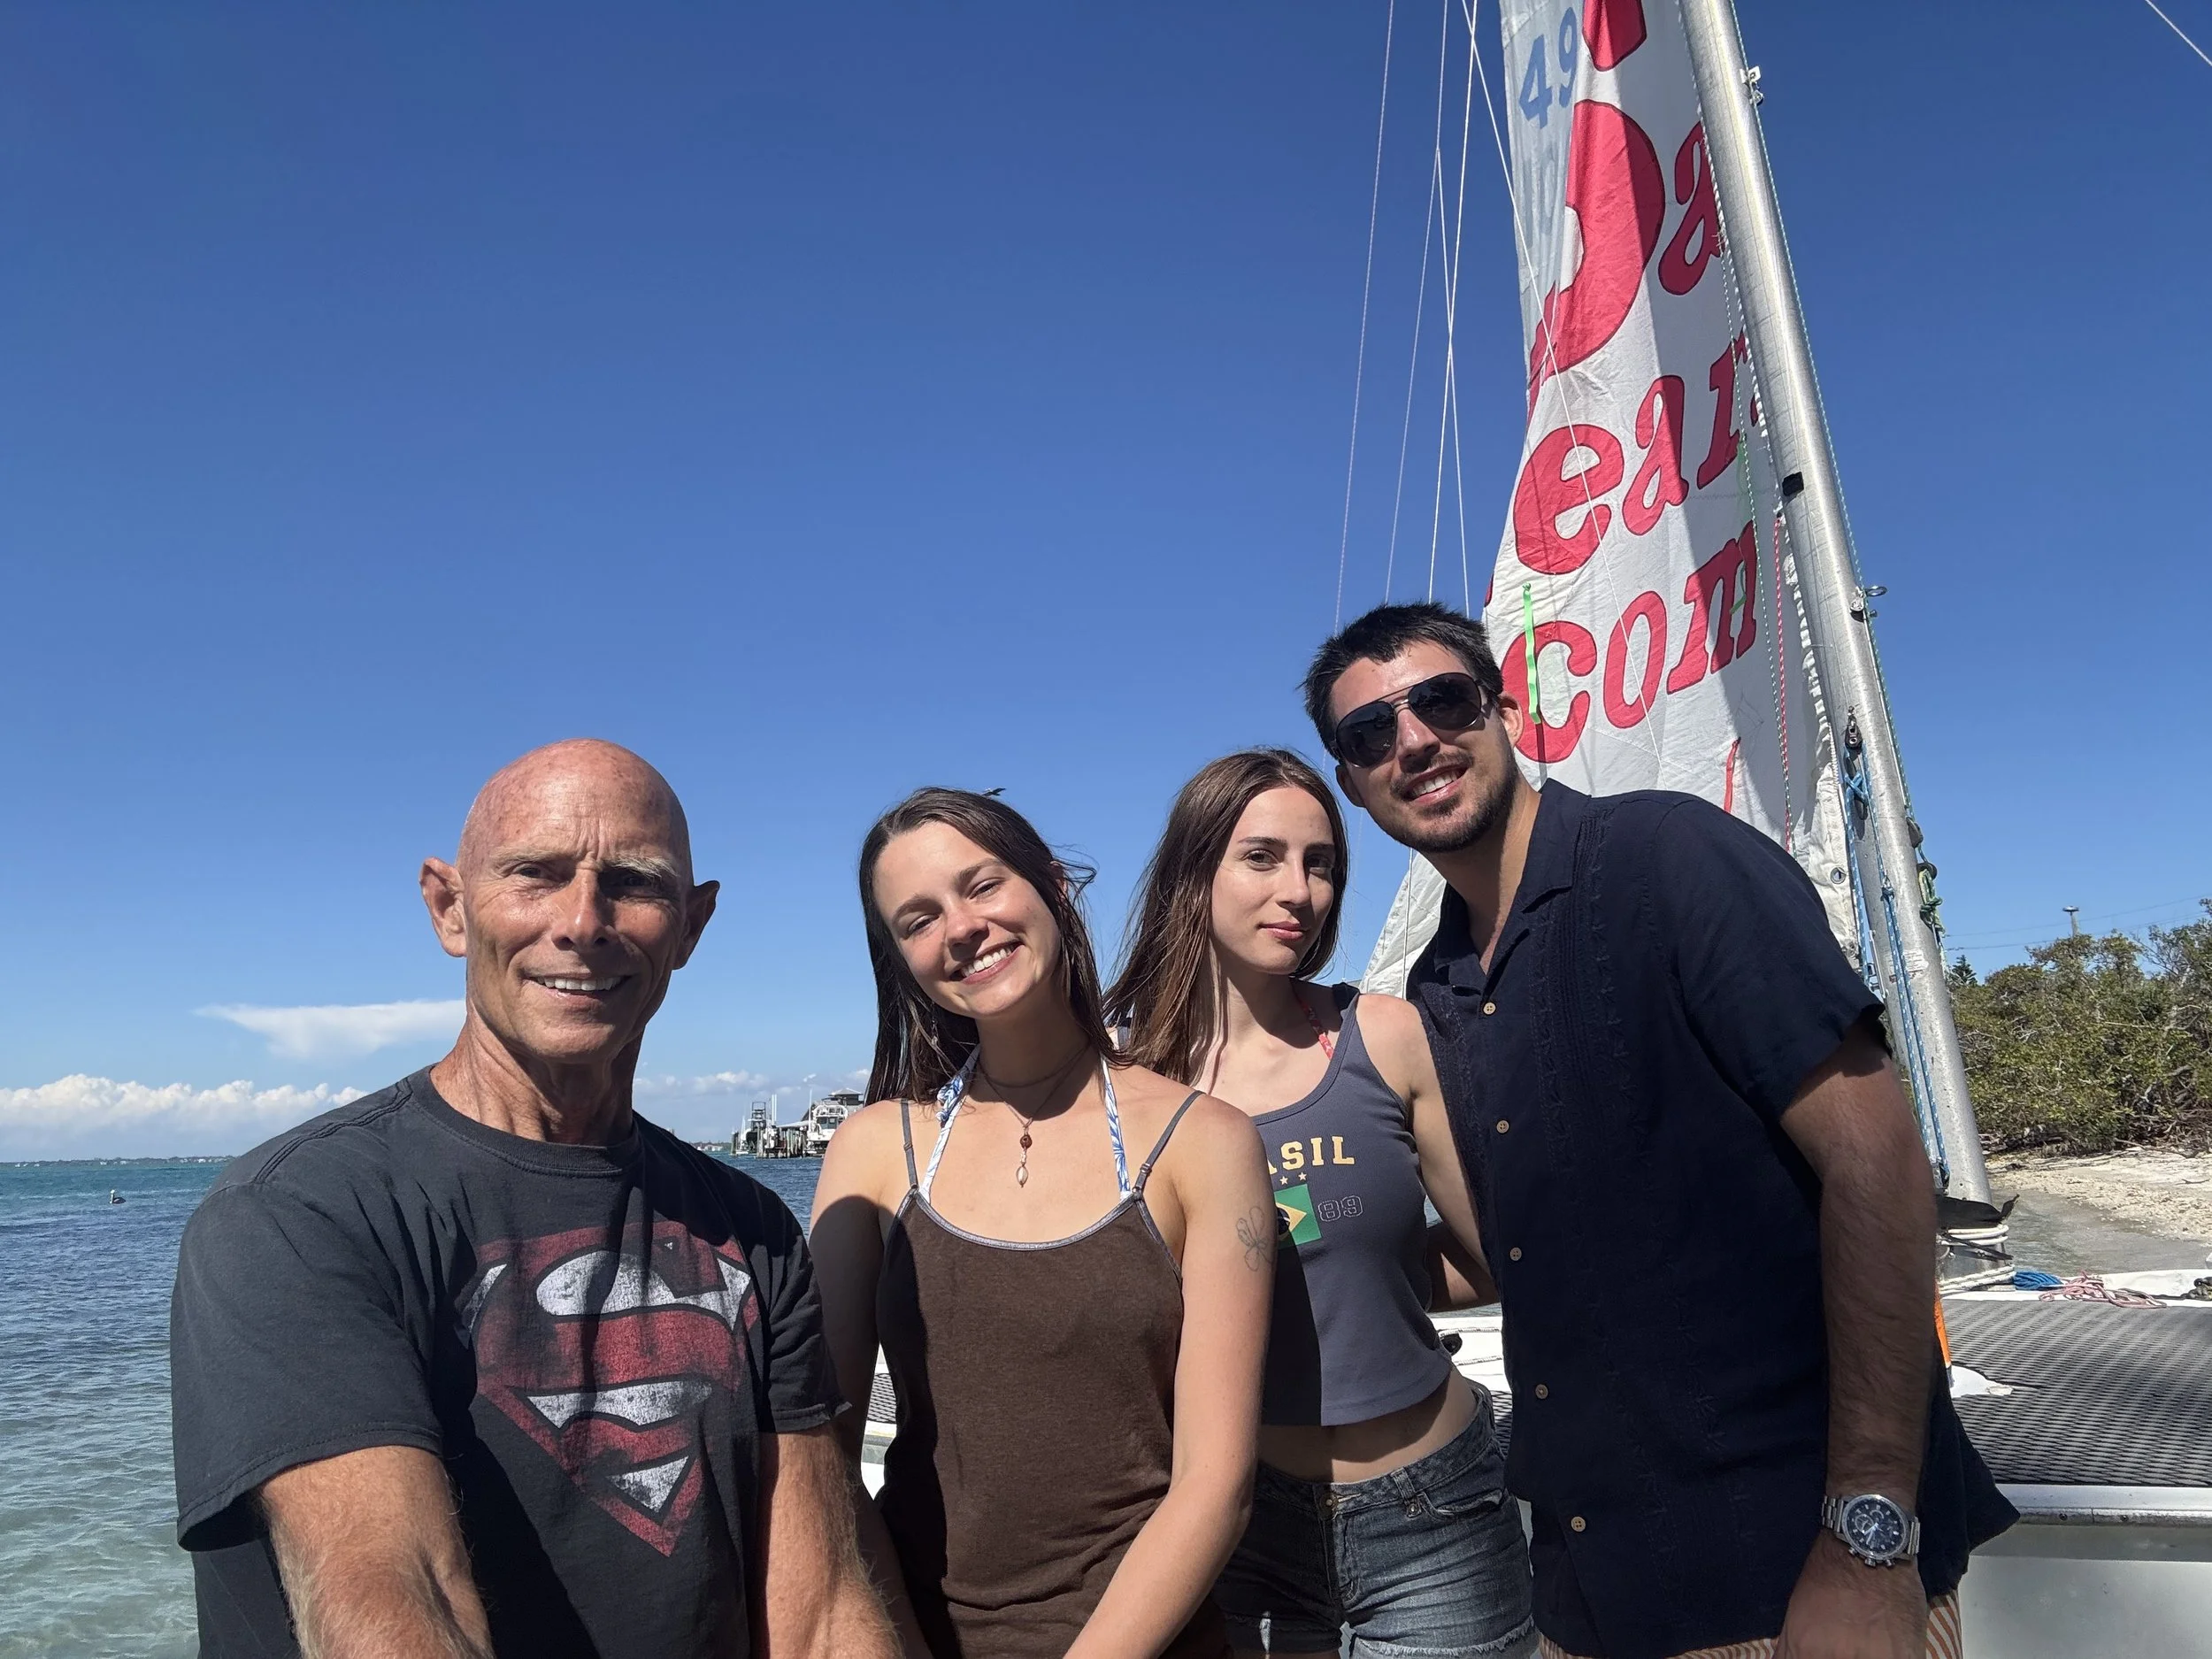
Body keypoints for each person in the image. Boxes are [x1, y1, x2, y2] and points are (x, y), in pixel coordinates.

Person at [1302, 605, 2016, 1659]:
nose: (1410, 741)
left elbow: (1877, 1166)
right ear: (1356, 782)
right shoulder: (1435, 988)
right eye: (1368, 734)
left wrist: (1869, 1536)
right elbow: (1511, 1249)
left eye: (1441, 701)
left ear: (1506, 707)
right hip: (1597, 1590)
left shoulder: (1670, 859)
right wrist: (1297, 1253)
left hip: (1793, 1577)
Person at [170, 740, 894, 1659]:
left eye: (632, 882)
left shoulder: (752, 1231)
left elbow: (823, 1614)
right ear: (449, 907)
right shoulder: (296, 1215)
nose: (582, 921)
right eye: (535, 875)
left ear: (692, 925)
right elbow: (396, 1609)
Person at [809, 787, 1274, 1659]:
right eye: (917, 918)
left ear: (1054, 887)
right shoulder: (873, 1152)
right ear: (902, 958)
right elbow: (824, 1449)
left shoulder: (1203, 1143)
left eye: (982, 886)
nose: (960, 927)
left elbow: (1215, 1485)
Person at [1106, 749, 1537, 1659]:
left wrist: (1350, 1267)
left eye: (1320, 863)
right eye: (1261, 857)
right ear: (1196, 871)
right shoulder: (1128, 1089)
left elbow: (1490, 1253)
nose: (1298, 890)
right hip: (1237, 1528)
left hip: (1435, 1515)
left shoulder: (1384, 1036)